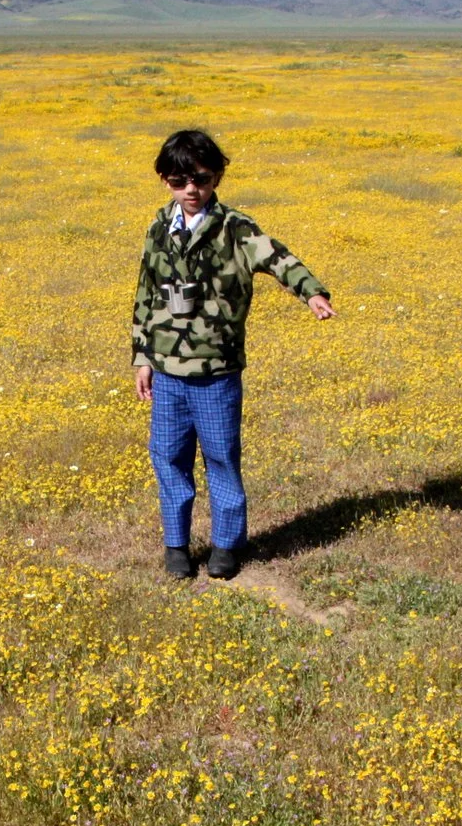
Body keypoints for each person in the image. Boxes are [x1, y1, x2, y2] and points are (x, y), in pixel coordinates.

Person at [131, 129, 335, 580]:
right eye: (180, 180)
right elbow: (145, 294)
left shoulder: (236, 229)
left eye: (201, 179)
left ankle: (226, 546)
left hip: (216, 370)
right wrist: (142, 357)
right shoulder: (158, 228)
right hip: (167, 372)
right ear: (165, 180)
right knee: (168, 457)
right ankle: (176, 546)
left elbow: (280, 259)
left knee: (221, 457)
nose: (191, 189)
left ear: (217, 176)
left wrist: (311, 292)